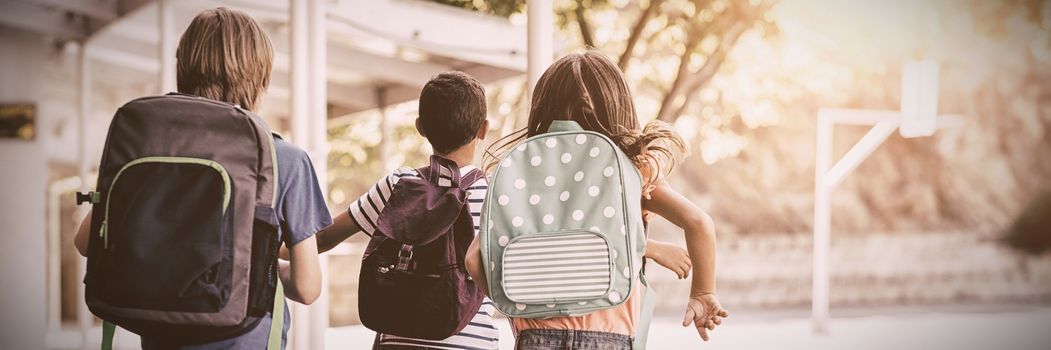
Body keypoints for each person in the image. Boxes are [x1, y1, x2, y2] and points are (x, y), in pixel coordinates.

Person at [73, 7, 328, 349]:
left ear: (183, 67)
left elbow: (85, 243)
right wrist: (262, 269)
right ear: (260, 77)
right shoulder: (284, 158)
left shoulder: (151, 150)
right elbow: (307, 288)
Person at [464, 51, 728, 349]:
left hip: (535, 338)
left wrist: (520, 312)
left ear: (542, 107)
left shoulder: (517, 174)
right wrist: (703, 292)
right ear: (617, 106)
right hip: (609, 338)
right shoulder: (633, 168)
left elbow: (474, 260)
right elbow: (698, 222)